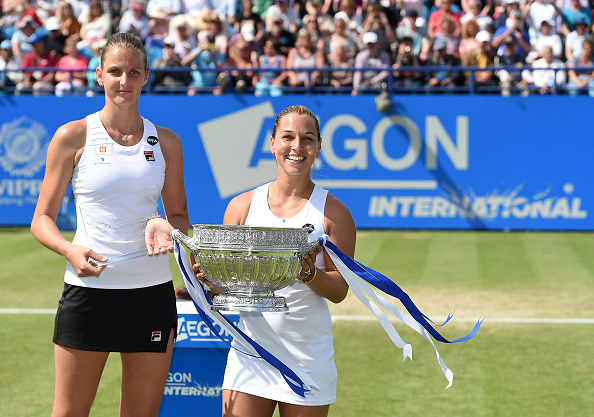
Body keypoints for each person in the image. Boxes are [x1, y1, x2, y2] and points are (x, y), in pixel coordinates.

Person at [30, 32, 190, 417]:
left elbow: (180, 216)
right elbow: (42, 219)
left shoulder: (166, 141)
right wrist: (69, 249)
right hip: (88, 292)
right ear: (99, 75)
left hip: (151, 294)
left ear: (146, 77)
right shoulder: (72, 136)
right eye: (115, 71)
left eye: (133, 72)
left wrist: (169, 228)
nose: (124, 81)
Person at [213, 104, 356, 417]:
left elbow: (339, 290)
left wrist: (306, 274)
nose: (297, 147)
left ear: (319, 146)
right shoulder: (240, 207)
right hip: (251, 353)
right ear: (272, 142)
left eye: (307, 139)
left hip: (307, 356)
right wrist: (209, 281)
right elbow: (227, 289)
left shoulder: (335, 214)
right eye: (288, 137)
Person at [352, 31, 390, 95]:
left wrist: (374, 80)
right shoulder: (360, 56)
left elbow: (385, 72)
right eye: (368, 44)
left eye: (372, 43)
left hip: (378, 83)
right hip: (364, 82)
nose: (370, 46)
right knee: (362, 89)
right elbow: (358, 73)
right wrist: (356, 87)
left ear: (377, 43)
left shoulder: (384, 56)